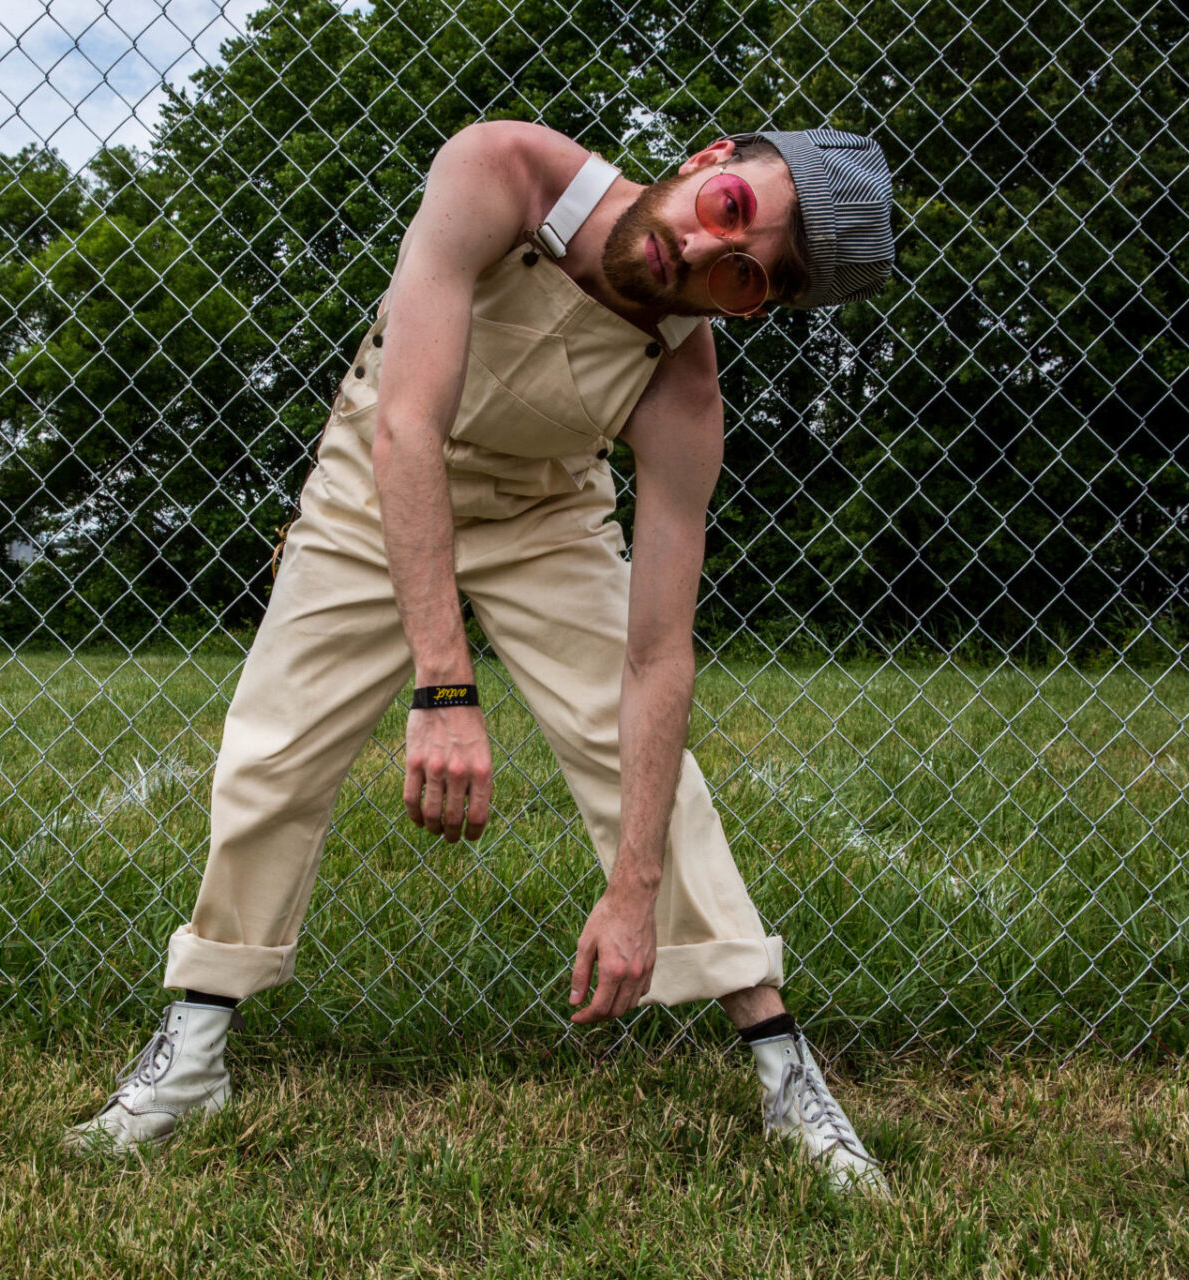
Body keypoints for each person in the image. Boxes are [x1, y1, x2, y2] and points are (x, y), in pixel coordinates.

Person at [62, 121, 897, 1193]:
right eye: (727, 209)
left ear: (755, 308)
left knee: (645, 769)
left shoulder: (683, 390)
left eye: (743, 275)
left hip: (546, 510)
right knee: (273, 749)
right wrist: (445, 685)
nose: (699, 250)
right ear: (709, 159)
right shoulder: (504, 172)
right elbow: (408, 426)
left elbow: (657, 657)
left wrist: (633, 888)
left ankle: (785, 1074)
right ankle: (191, 1056)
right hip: (382, 475)